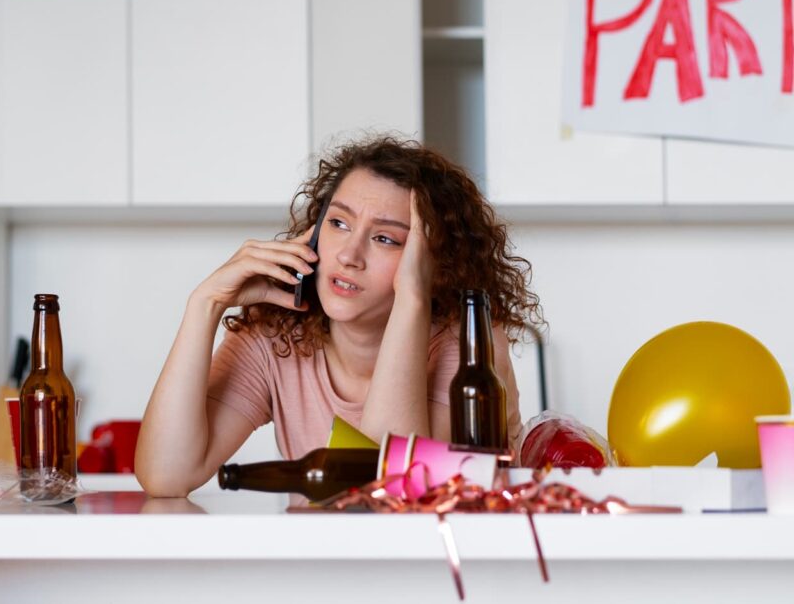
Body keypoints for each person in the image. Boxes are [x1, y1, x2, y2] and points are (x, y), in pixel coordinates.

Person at [135, 136, 542, 497]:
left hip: (449, 577)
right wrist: (205, 303)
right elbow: (165, 475)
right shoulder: (277, 336)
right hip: (326, 575)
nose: (349, 255)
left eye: (385, 238)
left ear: (434, 261)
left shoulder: (467, 344)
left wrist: (413, 297)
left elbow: (388, 492)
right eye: (338, 223)